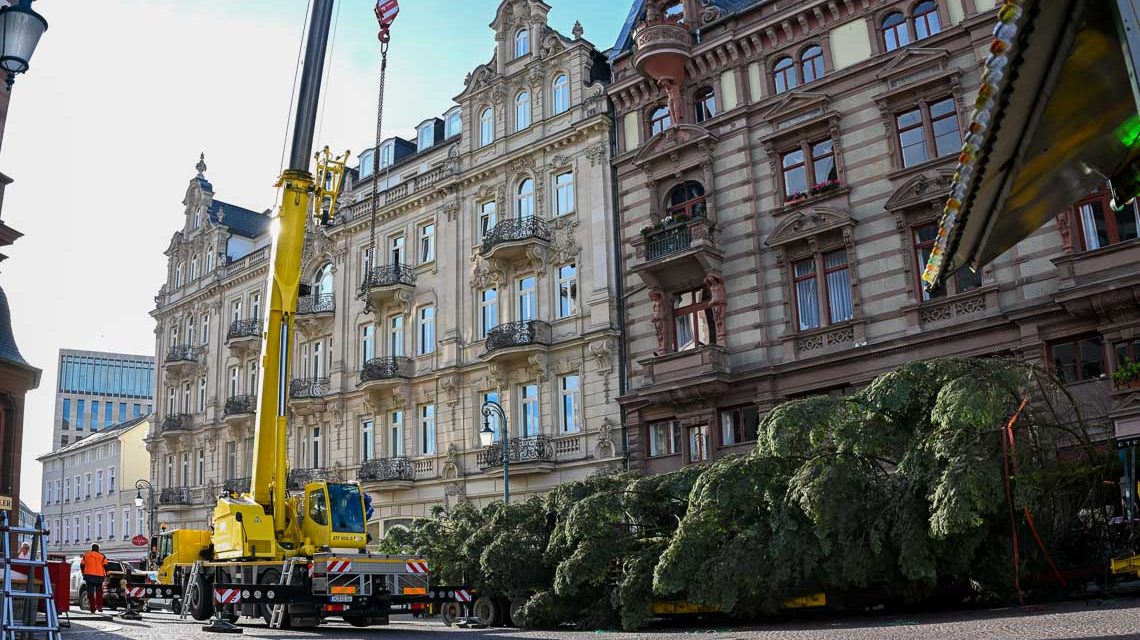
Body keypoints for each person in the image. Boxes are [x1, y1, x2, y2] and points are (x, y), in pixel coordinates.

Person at [80, 543, 108, 614]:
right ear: (98, 549)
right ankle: (99, 606)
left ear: (91, 548)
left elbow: (82, 565)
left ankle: (92, 608)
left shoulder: (86, 555)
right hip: (99, 576)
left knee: (90, 593)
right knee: (99, 592)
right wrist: (108, 575)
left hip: (89, 576)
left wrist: (83, 572)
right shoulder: (102, 556)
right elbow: (106, 566)